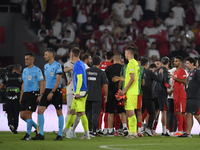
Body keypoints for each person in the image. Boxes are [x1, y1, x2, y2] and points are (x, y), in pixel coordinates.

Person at [32, 48, 64, 141]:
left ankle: (60, 135)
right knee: (40, 110)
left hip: (56, 91)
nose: (44, 56)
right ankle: (41, 134)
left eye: (46, 54)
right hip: (47, 91)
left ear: (51, 55)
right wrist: (42, 93)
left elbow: (58, 81)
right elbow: (45, 80)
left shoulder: (57, 65)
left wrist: (52, 92)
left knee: (59, 112)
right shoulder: (45, 66)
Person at [62, 47, 90, 139]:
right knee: (72, 112)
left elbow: (80, 79)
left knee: (81, 113)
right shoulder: (81, 63)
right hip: (78, 91)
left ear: (71, 55)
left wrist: (77, 92)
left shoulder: (77, 65)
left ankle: (87, 134)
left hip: (80, 92)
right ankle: (65, 132)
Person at [20, 53, 44, 140]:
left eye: (27, 59)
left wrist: (41, 94)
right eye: (25, 59)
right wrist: (21, 96)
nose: (25, 61)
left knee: (28, 113)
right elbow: (23, 83)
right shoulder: (25, 70)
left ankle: (28, 135)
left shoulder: (37, 70)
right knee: (22, 115)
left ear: (32, 60)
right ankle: (37, 128)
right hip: (25, 94)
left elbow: (41, 82)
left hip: (33, 93)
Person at [104, 53, 127, 137]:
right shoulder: (124, 68)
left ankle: (110, 131)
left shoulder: (108, 68)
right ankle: (124, 127)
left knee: (111, 112)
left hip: (111, 92)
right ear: (121, 60)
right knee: (122, 111)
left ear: (113, 59)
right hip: (121, 93)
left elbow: (105, 82)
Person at [119, 46, 139, 139]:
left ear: (128, 53)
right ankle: (133, 132)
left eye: (125, 53)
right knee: (130, 112)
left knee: (130, 112)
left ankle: (133, 133)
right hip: (133, 91)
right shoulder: (135, 63)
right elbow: (130, 78)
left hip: (130, 91)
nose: (125, 55)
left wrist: (125, 89)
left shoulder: (131, 63)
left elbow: (132, 78)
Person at [86, 56, 108, 137]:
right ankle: (94, 131)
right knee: (95, 114)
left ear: (92, 62)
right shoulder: (101, 72)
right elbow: (105, 85)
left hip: (87, 96)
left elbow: (83, 83)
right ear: (100, 63)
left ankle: (88, 130)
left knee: (88, 113)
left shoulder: (87, 71)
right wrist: (106, 95)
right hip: (97, 96)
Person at [140, 57, 163, 136]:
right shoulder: (149, 72)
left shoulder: (137, 71)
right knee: (152, 113)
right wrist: (160, 73)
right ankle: (148, 129)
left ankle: (138, 129)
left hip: (139, 95)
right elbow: (160, 80)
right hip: (148, 96)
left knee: (140, 112)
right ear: (147, 64)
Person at [179, 57, 200, 137]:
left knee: (196, 115)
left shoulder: (197, 72)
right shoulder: (190, 73)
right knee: (189, 114)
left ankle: (188, 133)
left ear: (192, 64)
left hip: (195, 97)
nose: (186, 65)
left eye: (187, 63)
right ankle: (188, 133)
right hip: (189, 97)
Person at [0, 64, 22, 134]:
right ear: (19, 70)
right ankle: (15, 127)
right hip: (17, 98)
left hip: (8, 97)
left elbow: (1, 87)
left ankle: (10, 123)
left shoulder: (7, 77)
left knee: (9, 112)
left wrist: (6, 88)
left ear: (13, 70)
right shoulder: (20, 77)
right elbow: (23, 87)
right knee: (16, 113)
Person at [168, 56, 187, 136]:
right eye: (174, 61)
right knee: (181, 114)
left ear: (180, 63)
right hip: (175, 94)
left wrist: (174, 79)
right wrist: (172, 88)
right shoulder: (175, 72)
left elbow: (184, 81)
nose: (174, 62)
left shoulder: (182, 71)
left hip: (180, 95)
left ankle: (180, 131)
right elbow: (176, 83)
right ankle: (184, 131)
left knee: (180, 113)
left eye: (176, 61)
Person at [98, 51, 114, 135]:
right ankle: (106, 128)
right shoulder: (112, 66)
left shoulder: (100, 64)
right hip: (107, 89)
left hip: (98, 89)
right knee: (107, 110)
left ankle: (98, 128)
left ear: (105, 56)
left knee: (100, 110)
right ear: (113, 58)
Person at [154, 56, 170, 136]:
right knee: (163, 112)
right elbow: (166, 83)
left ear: (161, 62)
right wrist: (170, 88)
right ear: (168, 63)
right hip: (162, 93)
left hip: (154, 93)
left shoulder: (156, 71)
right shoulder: (166, 72)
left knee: (155, 112)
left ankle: (151, 129)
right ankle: (164, 132)